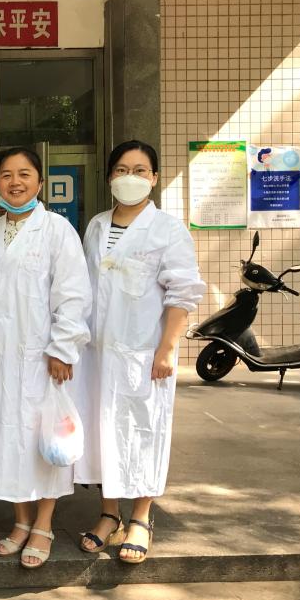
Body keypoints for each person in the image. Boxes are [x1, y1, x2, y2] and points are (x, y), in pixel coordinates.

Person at [0, 147, 91, 569]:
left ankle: (44, 525)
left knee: (43, 438)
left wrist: (63, 349)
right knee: (7, 438)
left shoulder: (57, 231)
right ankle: (20, 519)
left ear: (39, 181)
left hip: (42, 358)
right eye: (6, 175)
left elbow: (73, 295)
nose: (15, 182)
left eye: (24, 174)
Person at [76, 140, 205, 564]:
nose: (129, 177)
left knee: (144, 430)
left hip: (144, 352)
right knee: (103, 431)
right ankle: (109, 513)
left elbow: (182, 293)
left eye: (139, 170)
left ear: (154, 177)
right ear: (109, 177)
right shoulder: (96, 226)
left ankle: (141, 517)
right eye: (121, 170)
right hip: (97, 353)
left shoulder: (168, 229)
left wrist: (167, 349)